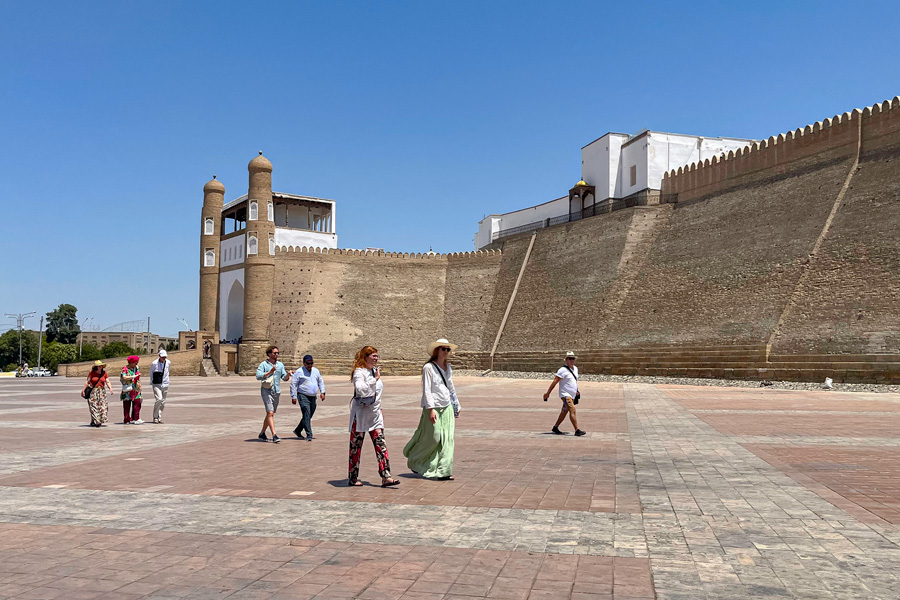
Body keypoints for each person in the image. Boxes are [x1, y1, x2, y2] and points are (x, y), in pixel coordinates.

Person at [404, 338, 461, 480]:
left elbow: (451, 387)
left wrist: (457, 404)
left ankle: (444, 471)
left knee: (447, 440)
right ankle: (415, 459)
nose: (446, 352)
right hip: (433, 407)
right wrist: (430, 409)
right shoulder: (428, 368)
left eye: (448, 349)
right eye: (444, 349)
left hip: (447, 406)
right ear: (437, 350)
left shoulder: (448, 368)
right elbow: (427, 390)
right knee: (434, 437)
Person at [348, 345, 400, 487]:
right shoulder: (359, 372)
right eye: (374, 356)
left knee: (381, 445)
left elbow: (378, 393)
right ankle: (353, 477)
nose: (376, 358)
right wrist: (374, 379)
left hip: (375, 415)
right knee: (355, 447)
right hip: (361, 414)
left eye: (377, 355)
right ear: (365, 357)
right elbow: (360, 389)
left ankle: (386, 476)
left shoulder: (374, 371)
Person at [543, 351, 586, 436]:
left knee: (564, 411)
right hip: (565, 395)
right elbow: (555, 381)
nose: (572, 360)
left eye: (573, 358)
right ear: (566, 360)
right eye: (570, 358)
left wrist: (577, 390)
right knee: (572, 409)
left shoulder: (575, 369)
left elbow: (574, 381)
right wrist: (548, 393)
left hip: (572, 395)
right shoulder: (562, 370)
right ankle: (577, 430)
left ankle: (555, 427)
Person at [256, 345, 291, 443]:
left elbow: (284, 378)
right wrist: (269, 372)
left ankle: (262, 433)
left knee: (270, 414)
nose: (277, 354)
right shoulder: (263, 364)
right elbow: (258, 376)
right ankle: (274, 435)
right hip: (266, 391)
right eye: (275, 353)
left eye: (277, 353)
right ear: (269, 354)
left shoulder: (280, 365)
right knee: (270, 412)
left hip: (276, 392)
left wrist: (288, 374)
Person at [290, 354, 325, 441]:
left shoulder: (316, 371)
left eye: (311, 363)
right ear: (304, 363)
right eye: (308, 364)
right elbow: (293, 384)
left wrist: (322, 392)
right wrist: (293, 396)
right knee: (306, 413)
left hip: (313, 397)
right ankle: (309, 434)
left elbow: (320, 381)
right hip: (303, 395)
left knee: (309, 415)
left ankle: (298, 430)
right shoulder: (299, 372)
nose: (310, 365)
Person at [83, 360, 113, 427]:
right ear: (96, 367)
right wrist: (83, 390)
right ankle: (96, 421)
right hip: (93, 392)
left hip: (102, 392)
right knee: (94, 406)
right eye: (99, 366)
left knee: (103, 406)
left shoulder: (104, 373)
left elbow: (107, 381)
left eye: (101, 366)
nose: (101, 367)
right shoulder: (92, 373)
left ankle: (98, 420)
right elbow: (87, 382)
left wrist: (110, 388)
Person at [121, 356, 143, 425]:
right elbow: (124, 377)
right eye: (135, 363)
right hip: (128, 389)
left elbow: (138, 376)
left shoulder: (136, 368)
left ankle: (136, 418)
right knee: (127, 404)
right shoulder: (125, 369)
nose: (136, 364)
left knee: (138, 402)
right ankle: (126, 419)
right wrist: (133, 376)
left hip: (135, 388)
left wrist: (140, 385)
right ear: (131, 362)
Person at [150, 349, 171, 424]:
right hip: (156, 383)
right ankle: (155, 416)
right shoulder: (154, 363)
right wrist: (152, 382)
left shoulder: (168, 362)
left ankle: (159, 416)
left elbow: (168, 371)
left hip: (165, 383)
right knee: (159, 399)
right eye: (162, 357)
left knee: (163, 401)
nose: (163, 358)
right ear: (159, 356)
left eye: (165, 357)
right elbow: (151, 373)